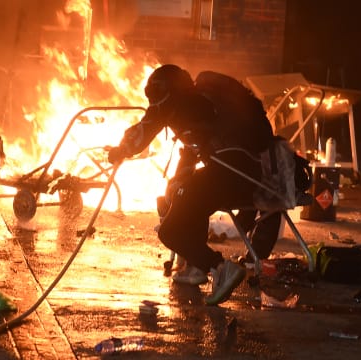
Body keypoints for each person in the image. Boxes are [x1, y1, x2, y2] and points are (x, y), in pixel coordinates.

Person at [107, 64, 281, 305]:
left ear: (167, 89)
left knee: (170, 231)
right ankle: (197, 267)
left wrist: (121, 150)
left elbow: (145, 129)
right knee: (188, 192)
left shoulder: (178, 103)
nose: (153, 100)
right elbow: (192, 152)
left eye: (155, 93)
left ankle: (219, 267)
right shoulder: (207, 104)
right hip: (254, 178)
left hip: (229, 175)